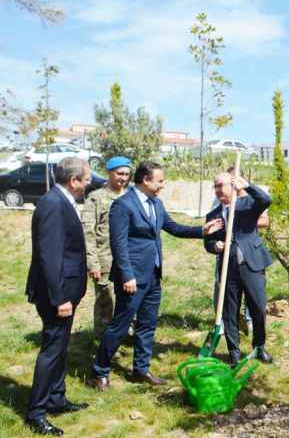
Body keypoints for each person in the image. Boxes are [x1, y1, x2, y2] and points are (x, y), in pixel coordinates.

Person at [88, 161, 223, 390]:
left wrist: (202, 231)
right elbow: (118, 244)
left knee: (148, 325)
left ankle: (140, 370)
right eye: (160, 180)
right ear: (146, 180)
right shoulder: (123, 205)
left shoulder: (157, 204)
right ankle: (99, 372)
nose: (163, 184)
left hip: (153, 275)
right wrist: (127, 275)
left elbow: (174, 228)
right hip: (131, 278)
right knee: (119, 326)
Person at [25, 157, 92, 436]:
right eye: (87, 179)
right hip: (57, 293)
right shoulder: (53, 204)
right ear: (74, 181)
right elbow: (49, 256)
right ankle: (36, 413)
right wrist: (59, 297)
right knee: (52, 348)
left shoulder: (61, 199)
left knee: (61, 344)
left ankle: (56, 398)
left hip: (66, 290)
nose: (90, 183)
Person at [205, 172, 274, 367]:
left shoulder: (248, 204)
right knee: (230, 312)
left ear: (233, 185)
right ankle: (234, 353)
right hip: (228, 269)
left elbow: (265, 200)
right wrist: (214, 245)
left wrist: (248, 185)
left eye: (221, 185)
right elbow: (208, 242)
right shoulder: (214, 214)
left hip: (252, 264)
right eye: (215, 186)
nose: (218, 190)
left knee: (259, 309)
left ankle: (259, 347)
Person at [81, 156, 132, 339]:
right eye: (119, 173)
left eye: (127, 174)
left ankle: (126, 333)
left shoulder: (132, 195)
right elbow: (88, 233)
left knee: (128, 299)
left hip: (129, 259)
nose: (123, 178)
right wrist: (92, 263)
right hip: (105, 260)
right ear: (109, 173)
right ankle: (102, 338)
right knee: (105, 301)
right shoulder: (96, 198)